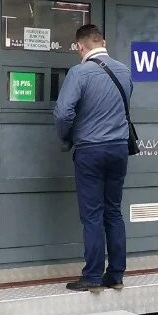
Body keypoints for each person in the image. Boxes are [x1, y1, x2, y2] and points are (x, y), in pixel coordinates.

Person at [54, 24, 133, 291]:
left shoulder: (80, 72)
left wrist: (66, 139)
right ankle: (117, 274)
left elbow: (63, 113)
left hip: (90, 149)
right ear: (104, 42)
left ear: (80, 46)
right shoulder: (123, 70)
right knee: (113, 211)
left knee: (92, 214)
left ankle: (93, 276)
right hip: (119, 148)